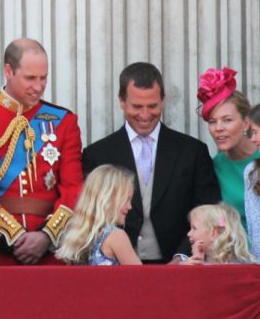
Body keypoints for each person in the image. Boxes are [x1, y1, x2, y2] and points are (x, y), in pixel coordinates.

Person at [0, 37, 82, 265]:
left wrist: (46, 236)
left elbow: (73, 189)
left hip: (50, 252)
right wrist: (12, 237)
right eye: (30, 78)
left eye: (44, 78)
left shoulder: (64, 121)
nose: (39, 86)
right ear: (8, 71)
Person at [82, 62, 221, 264]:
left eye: (153, 106)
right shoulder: (97, 154)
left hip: (180, 267)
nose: (145, 115)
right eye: (137, 106)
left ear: (163, 100)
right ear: (121, 101)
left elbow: (209, 208)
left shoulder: (193, 151)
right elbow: (91, 215)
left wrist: (182, 256)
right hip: (117, 273)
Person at [197, 66, 259, 231]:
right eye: (212, 121)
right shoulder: (213, 167)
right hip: (234, 254)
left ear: (246, 123)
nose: (218, 128)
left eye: (227, 120)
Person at [55, 165, 142, 265]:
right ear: (108, 199)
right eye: (126, 199)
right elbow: (142, 277)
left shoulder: (80, 235)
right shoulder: (116, 236)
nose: (129, 206)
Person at [182, 203, 256, 264]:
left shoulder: (240, 265)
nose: (188, 233)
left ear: (213, 234)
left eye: (194, 228)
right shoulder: (191, 263)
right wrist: (185, 264)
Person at [243, 104, 260, 259]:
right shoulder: (252, 172)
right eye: (251, 133)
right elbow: (254, 225)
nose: (253, 139)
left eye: (256, 132)